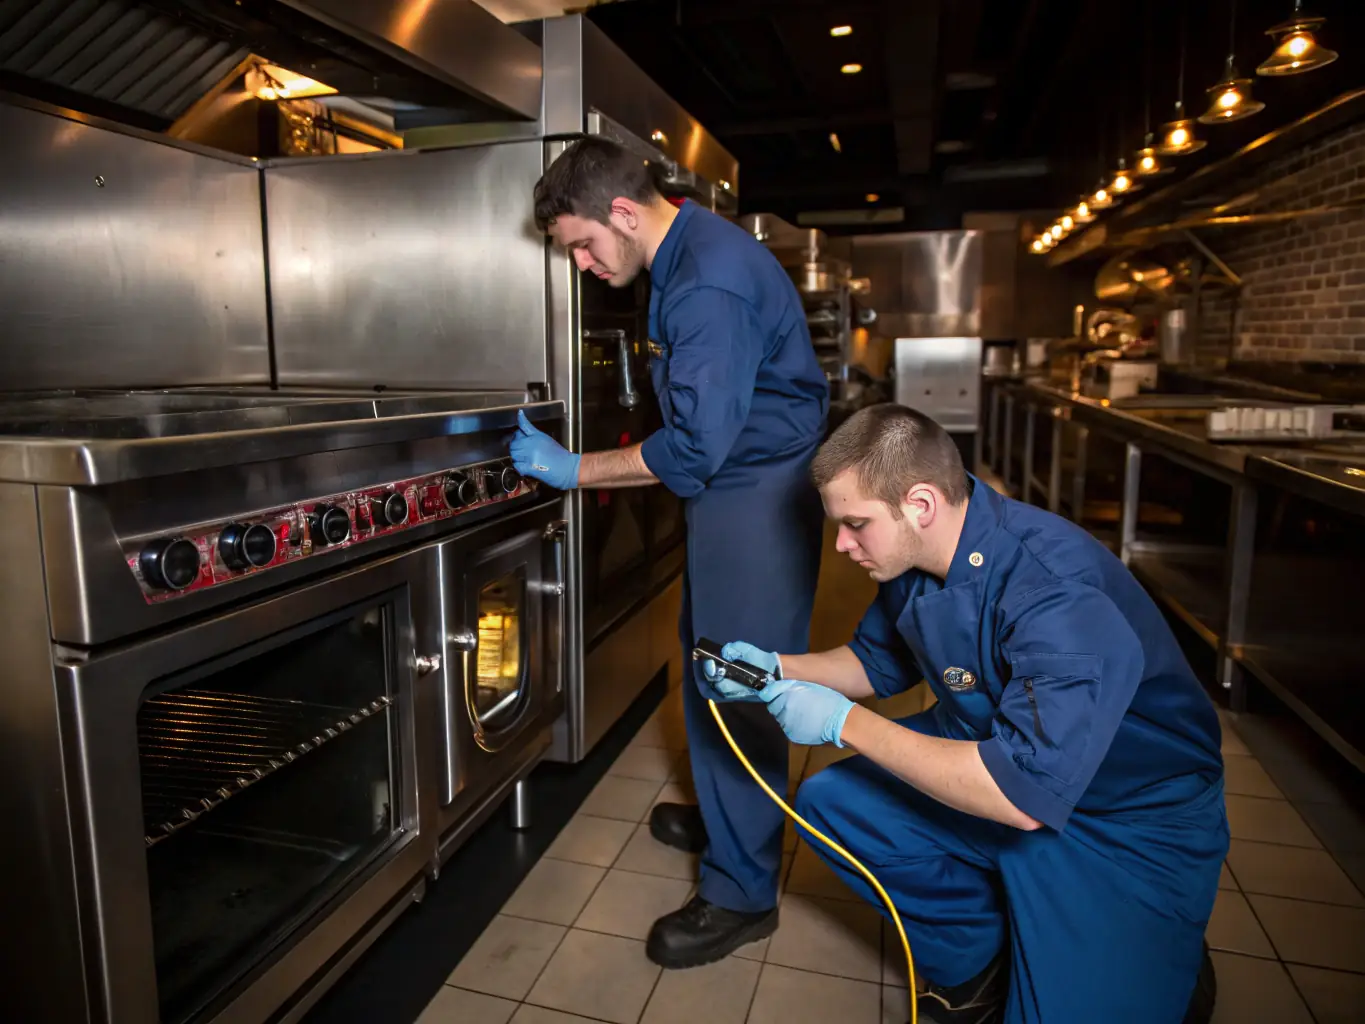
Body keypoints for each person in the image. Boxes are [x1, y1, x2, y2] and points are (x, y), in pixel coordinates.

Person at [705, 404, 1226, 1024]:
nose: (842, 544)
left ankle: (1153, 946)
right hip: (995, 753)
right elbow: (876, 663)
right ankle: (980, 965)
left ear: (920, 503)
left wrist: (844, 723)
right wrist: (775, 670)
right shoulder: (916, 555)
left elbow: (1021, 797)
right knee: (834, 802)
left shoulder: (1055, 591)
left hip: (1122, 816)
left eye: (855, 524)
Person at [511, 137, 829, 967]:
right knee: (708, 662)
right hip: (737, 491)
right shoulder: (684, 249)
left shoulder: (708, 283)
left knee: (740, 680)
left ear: (622, 212)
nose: (582, 264)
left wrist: (572, 469)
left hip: (755, 493)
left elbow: (691, 449)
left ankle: (740, 892)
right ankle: (734, 817)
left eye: (582, 243)